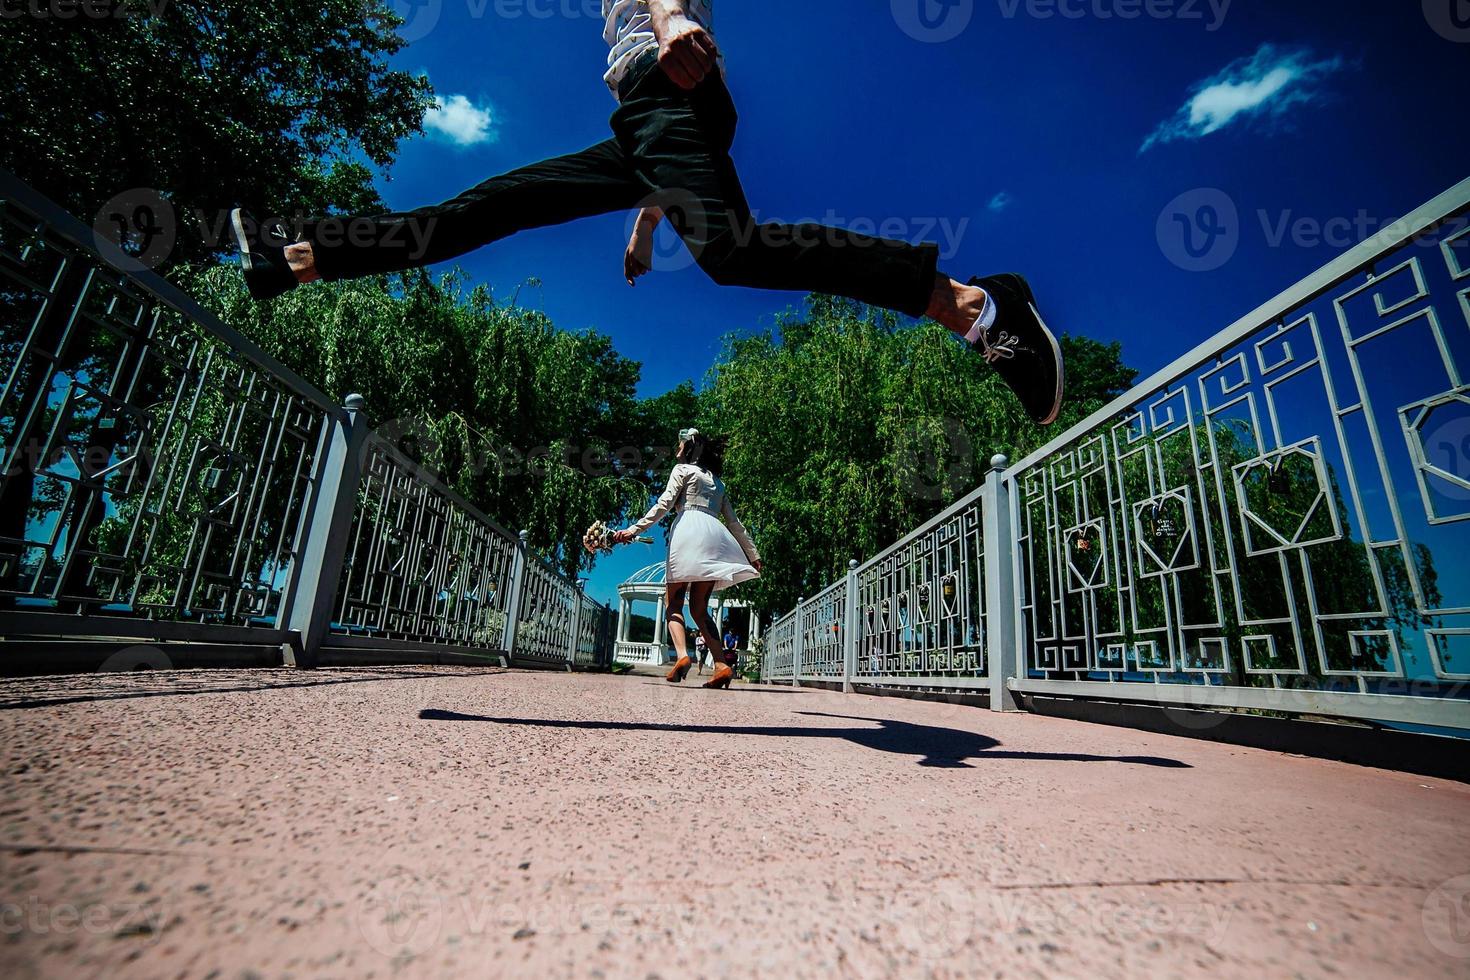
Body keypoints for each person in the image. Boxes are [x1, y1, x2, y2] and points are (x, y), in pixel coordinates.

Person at [229, 1, 1065, 425]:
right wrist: (642, 226)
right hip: (646, 126)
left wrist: (669, 19)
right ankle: (300, 255)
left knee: (734, 253)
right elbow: (663, 170)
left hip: (670, 95)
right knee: (486, 208)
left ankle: (975, 306)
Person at [613, 428, 756, 689]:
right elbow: (735, 523)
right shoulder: (718, 482)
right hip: (715, 535)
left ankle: (681, 656)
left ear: (688, 449)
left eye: (679, 445)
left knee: (673, 603)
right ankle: (722, 665)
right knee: (700, 609)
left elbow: (664, 504)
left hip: (688, 530)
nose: (676, 449)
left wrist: (633, 530)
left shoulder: (682, 470)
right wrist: (753, 554)